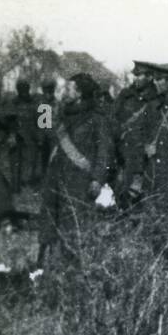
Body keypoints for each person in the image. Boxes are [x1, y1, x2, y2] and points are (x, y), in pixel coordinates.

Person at [39, 73, 113, 268]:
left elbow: (105, 152)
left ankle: (75, 269)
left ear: (80, 94)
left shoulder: (97, 118)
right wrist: (45, 108)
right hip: (55, 177)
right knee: (50, 222)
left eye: (70, 89)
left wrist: (97, 179)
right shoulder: (61, 113)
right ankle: (48, 267)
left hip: (78, 181)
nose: (65, 92)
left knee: (74, 225)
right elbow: (44, 133)